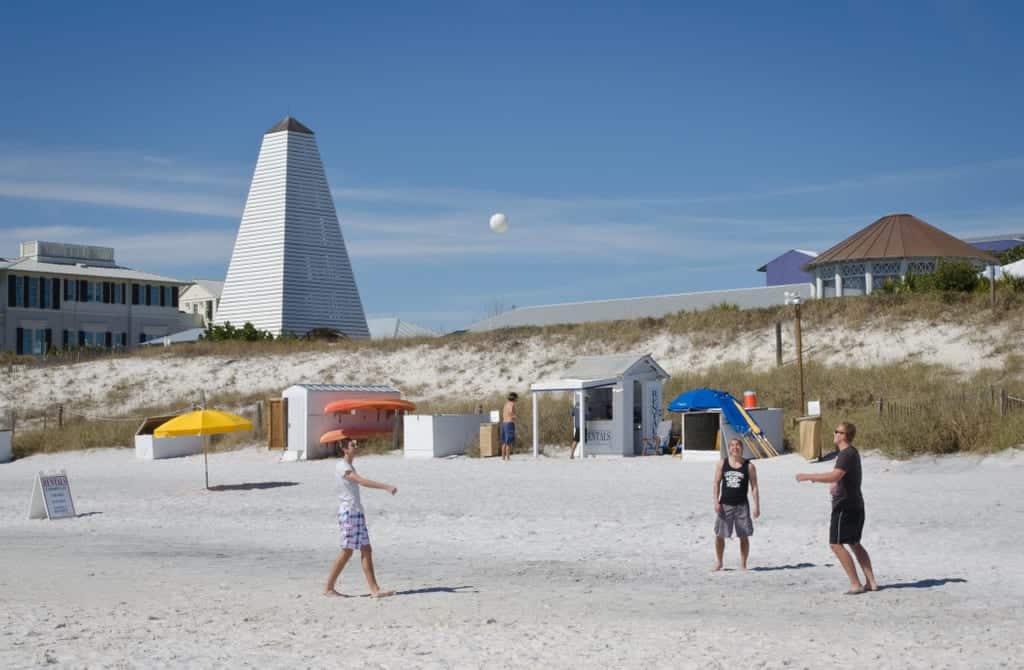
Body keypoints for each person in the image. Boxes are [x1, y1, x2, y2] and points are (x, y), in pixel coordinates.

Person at [796, 421, 879, 595]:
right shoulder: (850, 453)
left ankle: (855, 584)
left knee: (836, 544)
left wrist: (809, 476)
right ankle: (871, 582)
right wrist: (835, 483)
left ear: (844, 435)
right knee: (854, 543)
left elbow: (836, 474)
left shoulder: (847, 454)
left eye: (837, 431)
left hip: (845, 506)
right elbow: (841, 477)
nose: (834, 434)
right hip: (855, 504)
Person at [324, 440, 398, 598]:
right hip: (349, 513)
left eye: (356, 444)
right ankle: (329, 588)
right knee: (347, 551)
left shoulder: (349, 466)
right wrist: (386, 487)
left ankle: (375, 590)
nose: (356, 447)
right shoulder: (342, 466)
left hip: (356, 512)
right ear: (345, 449)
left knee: (366, 549)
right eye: (353, 445)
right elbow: (361, 481)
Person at [712, 438, 760, 571]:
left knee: (743, 536)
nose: (735, 448)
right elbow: (716, 483)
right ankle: (719, 562)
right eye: (732, 446)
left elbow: (754, 487)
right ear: (729, 448)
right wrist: (716, 502)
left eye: (738, 445)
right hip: (725, 504)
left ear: (742, 448)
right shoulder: (722, 463)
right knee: (720, 535)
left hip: (742, 505)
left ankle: (743, 564)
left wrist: (757, 506)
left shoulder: (749, 466)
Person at [500, 392, 518, 461]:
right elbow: (511, 412)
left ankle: (503, 457)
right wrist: (514, 416)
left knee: (504, 441)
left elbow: (504, 413)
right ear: (514, 398)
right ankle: (508, 457)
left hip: (504, 423)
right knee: (508, 441)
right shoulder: (512, 404)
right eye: (516, 398)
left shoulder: (506, 404)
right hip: (509, 423)